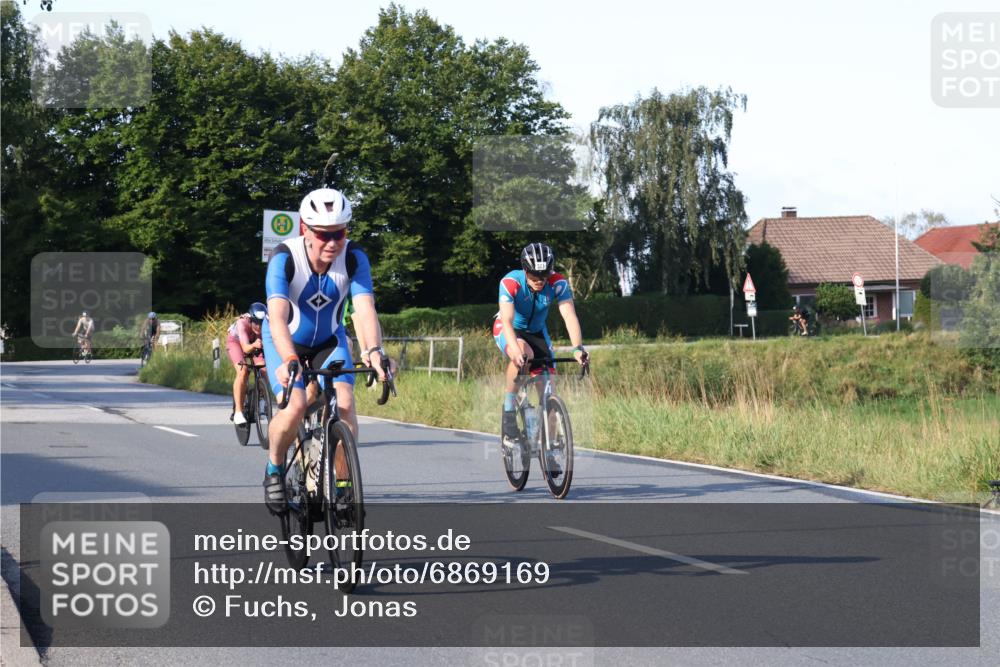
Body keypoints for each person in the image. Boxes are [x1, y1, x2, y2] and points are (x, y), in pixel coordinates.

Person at [261, 187, 394, 513]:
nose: (333, 242)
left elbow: (364, 309)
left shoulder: (353, 257)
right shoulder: (284, 257)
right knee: (294, 407)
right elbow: (277, 317)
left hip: (328, 340)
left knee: (345, 404)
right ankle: (274, 468)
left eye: (340, 233)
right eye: (324, 235)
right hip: (286, 339)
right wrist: (289, 359)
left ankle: (344, 486)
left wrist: (374, 351)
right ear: (305, 229)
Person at [493, 243, 588, 459]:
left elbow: (569, 316)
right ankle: (509, 412)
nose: (539, 280)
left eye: (543, 275)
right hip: (508, 328)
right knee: (524, 354)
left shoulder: (558, 283)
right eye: (534, 275)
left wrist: (577, 349)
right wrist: (515, 350)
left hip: (537, 332)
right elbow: (506, 320)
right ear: (525, 270)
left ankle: (551, 448)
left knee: (549, 393)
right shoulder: (510, 282)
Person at [227, 302, 268, 425]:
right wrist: (255, 345)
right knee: (243, 371)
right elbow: (245, 348)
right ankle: (238, 412)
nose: (259, 327)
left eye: (262, 323)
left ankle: (261, 402)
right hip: (236, 342)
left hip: (255, 343)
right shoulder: (242, 323)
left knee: (264, 370)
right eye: (256, 323)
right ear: (250, 319)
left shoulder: (267, 324)